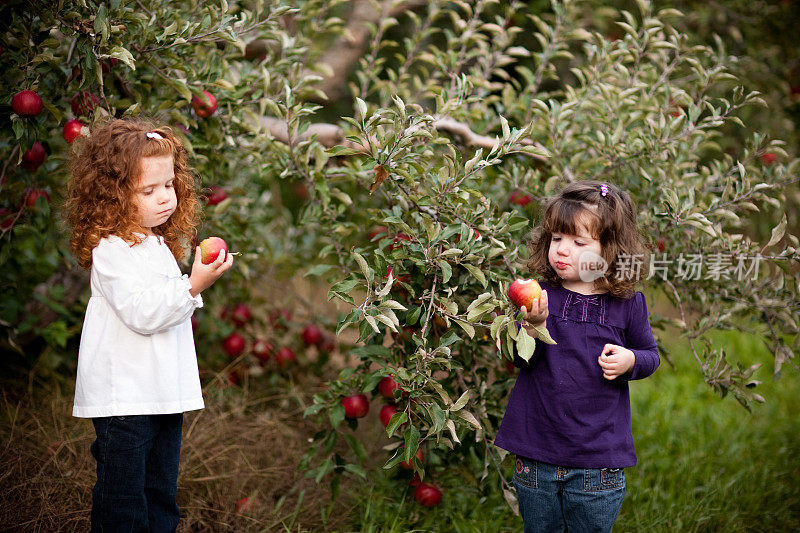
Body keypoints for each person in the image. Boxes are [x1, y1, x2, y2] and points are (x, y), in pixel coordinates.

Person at [66, 119, 234, 532]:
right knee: (123, 499)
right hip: (126, 398)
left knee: (160, 492)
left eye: (169, 185)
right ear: (112, 195)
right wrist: (193, 285)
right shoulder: (112, 250)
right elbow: (143, 313)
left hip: (162, 393)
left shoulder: (156, 243)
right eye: (148, 190)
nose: (164, 198)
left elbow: (165, 307)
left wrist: (191, 283)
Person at [495, 180, 660, 533]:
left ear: (610, 249)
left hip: (597, 462)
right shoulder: (539, 298)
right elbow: (520, 362)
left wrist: (631, 360)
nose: (562, 250)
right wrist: (533, 327)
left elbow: (650, 355)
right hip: (537, 451)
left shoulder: (628, 304)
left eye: (578, 242)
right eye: (556, 238)